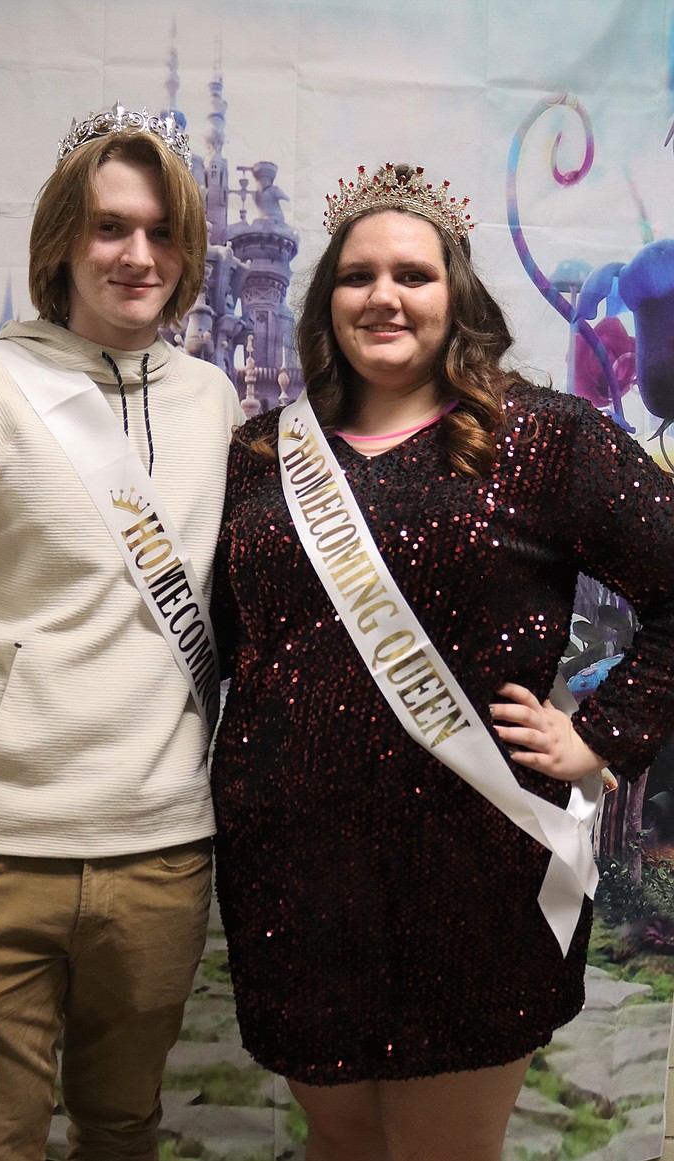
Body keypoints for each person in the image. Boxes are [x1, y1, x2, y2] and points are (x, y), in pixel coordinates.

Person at [209, 161, 674, 1161]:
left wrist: (601, 735)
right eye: (356, 275)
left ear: (454, 294)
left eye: (412, 275)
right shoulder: (256, 453)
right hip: (290, 881)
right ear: (323, 296)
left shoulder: (541, 438)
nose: (382, 297)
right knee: (337, 1143)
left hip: (468, 876)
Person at [0, 102, 244, 1161]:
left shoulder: (214, 402)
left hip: (162, 855)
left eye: (162, 231)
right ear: (61, 242)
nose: (138, 255)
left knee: (124, 1130)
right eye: (108, 227)